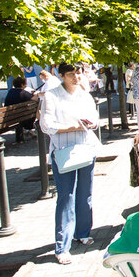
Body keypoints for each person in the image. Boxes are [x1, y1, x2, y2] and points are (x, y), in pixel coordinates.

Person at [40, 62, 100, 265]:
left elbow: (95, 118)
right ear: (61, 75)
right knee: (66, 196)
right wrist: (71, 127)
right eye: (71, 74)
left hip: (85, 148)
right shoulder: (52, 95)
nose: (76, 77)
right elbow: (46, 124)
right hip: (64, 151)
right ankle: (62, 246)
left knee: (85, 193)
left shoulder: (84, 94)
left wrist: (91, 123)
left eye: (78, 73)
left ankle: (82, 232)